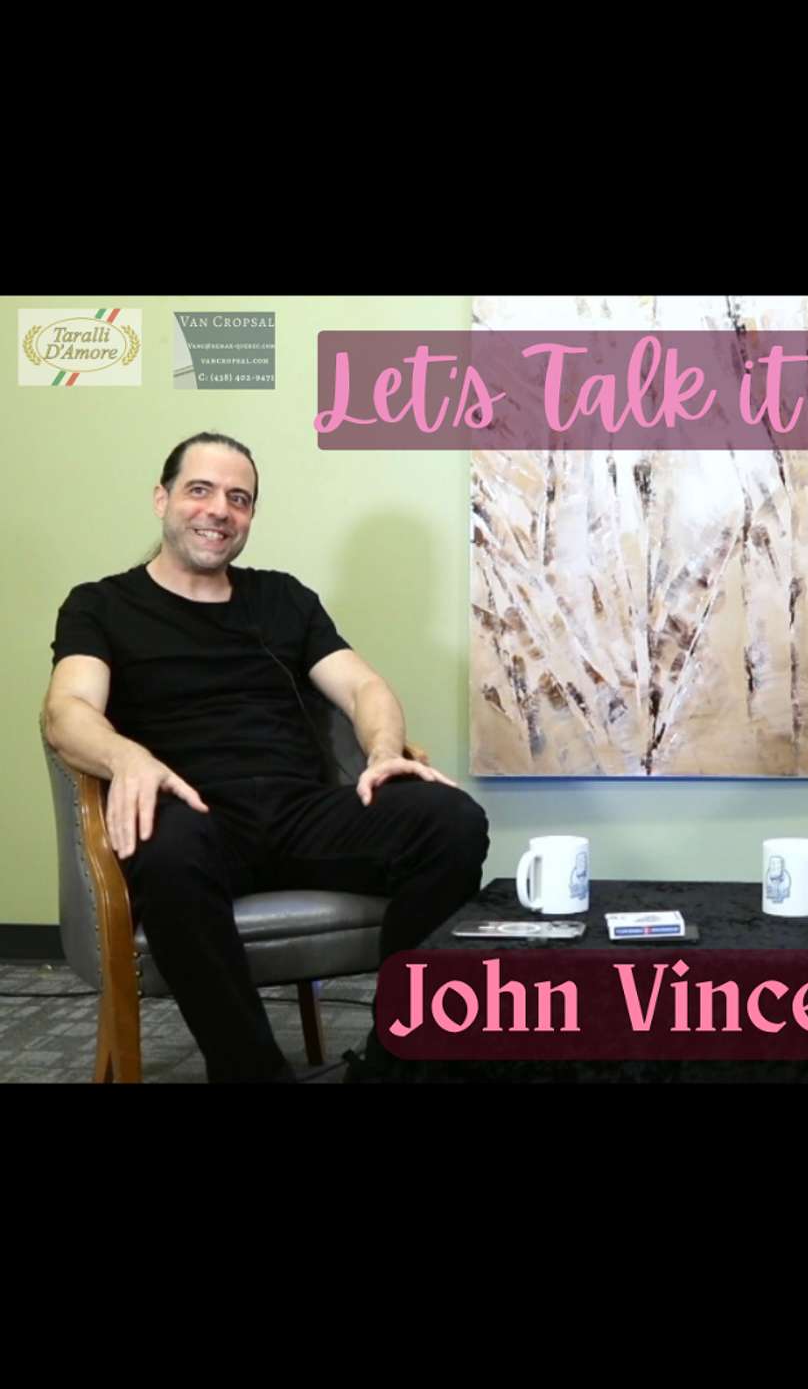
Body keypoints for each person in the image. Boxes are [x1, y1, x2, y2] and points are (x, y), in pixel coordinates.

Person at [43, 432, 490, 1082]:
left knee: (451, 820)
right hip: (192, 815)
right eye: (200, 490)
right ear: (162, 498)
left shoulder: (284, 599)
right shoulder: (101, 605)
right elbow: (67, 711)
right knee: (167, 847)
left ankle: (398, 1058)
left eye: (239, 498)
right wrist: (127, 758)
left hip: (299, 812)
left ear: (250, 515)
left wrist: (383, 751)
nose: (219, 510)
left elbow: (364, 688)